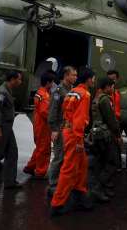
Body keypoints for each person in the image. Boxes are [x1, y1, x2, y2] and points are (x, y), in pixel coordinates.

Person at [50, 68, 95, 216]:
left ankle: (79, 193)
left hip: (68, 131)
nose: (94, 81)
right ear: (88, 79)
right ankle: (57, 204)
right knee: (69, 168)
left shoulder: (72, 92)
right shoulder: (85, 94)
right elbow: (80, 119)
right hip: (74, 134)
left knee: (82, 164)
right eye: (93, 78)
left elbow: (65, 110)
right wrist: (78, 140)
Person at [88, 77, 121, 203]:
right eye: (112, 86)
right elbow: (111, 120)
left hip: (97, 134)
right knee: (113, 162)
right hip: (105, 135)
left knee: (101, 162)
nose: (113, 89)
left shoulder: (96, 98)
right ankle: (98, 188)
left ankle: (101, 187)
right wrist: (117, 135)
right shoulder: (105, 100)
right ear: (107, 86)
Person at [46, 66, 77, 198]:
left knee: (66, 156)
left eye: (76, 75)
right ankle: (53, 183)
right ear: (66, 76)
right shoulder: (58, 91)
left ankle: (61, 181)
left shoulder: (70, 90)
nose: (75, 77)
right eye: (73, 75)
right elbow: (53, 111)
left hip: (67, 128)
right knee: (59, 156)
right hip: (59, 128)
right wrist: (54, 129)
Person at [24, 71, 56, 179]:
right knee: (44, 149)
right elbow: (45, 112)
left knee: (39, 148)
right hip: (43, 126)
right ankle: (40, 172)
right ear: (48, 82)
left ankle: (30, 167)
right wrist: (54, 120)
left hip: (39, 125)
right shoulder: (45, 96)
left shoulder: (40, 93)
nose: (53, 85)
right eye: (52, 82)